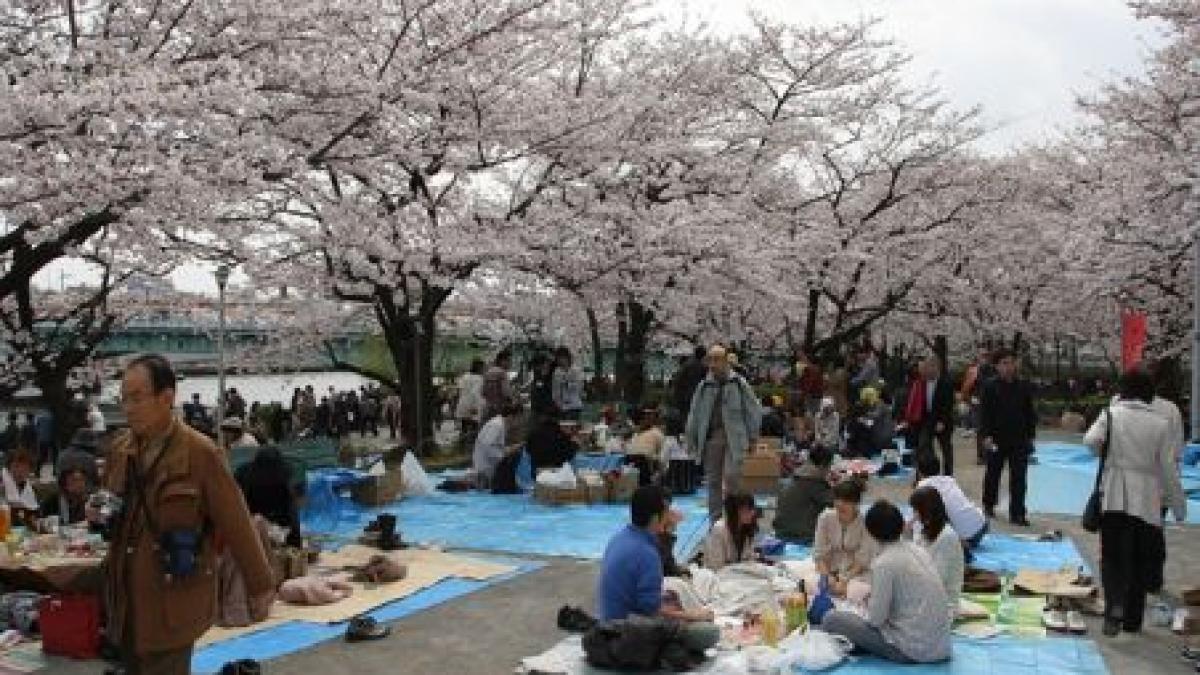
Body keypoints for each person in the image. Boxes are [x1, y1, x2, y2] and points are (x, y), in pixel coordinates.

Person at [95, 354, 272, 674]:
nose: (128, 407)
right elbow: (109, 505)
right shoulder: (121, 451)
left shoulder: (200, 453)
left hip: (172, 600)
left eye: (137, 398)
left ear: (167, 398)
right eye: (124, 398)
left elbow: (236, 521)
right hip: (126, 601)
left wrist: (260, 585)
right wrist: (97, 511)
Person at [1083, 367, 1186, 637]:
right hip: (1148, 498)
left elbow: (1090, 441)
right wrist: (1178, 506)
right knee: (1140, 559)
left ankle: (1114, 606)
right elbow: (1168, 469)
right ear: (1150, 394)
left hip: (1114, 492)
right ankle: (1132, 619)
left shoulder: (1111, 415)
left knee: (1113, 556)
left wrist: (1106, 454)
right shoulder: (1160, 424)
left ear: (1123, 391)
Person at [823, 500, 951, 664]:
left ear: (871, 532)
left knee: (831, 619)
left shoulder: (885, 563)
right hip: (941, 645)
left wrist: (867, 605)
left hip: (911, 650)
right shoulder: (917, 550)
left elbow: (876, 620)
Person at [596, 486, 720, 652]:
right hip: (627, 634)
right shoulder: (647, 553)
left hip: (609, 623)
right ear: (656, 517)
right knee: (709, 633)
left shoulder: (619, 539)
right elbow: (652, 614)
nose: (671, 515)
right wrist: (693, 616)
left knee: (676, 597)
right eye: (667, 511)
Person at [684, 345, 763, 520]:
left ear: (726, 361)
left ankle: (733, 519)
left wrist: (753, 438)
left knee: (732, 477)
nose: (713, 364)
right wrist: (691, 439)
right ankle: (715, 520)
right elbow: (694, 414)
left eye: (717, 359)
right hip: (711, 438)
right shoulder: (703, 387)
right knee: (712, 481)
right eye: (710, 359)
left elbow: (753, 411)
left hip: (735, 439)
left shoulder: (739, 384)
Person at [980, 348, 1037, 526]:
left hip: (1019, 438)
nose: (1009, 366)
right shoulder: (989, 386)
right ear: (997, 366)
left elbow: (1029, 412)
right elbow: (985, 413)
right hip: (996, 437)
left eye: (1012, 362)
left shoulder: (1023, 386)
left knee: (1019, 477)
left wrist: (1030, 435)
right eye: (1004, 363)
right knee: (993, 474)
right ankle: (989, 504)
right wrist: (986, 435)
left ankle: (1018, 512)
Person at [913, 456, 987, 560]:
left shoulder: (923, 487)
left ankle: (962, 545)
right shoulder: (949, 479)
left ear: (919, 471)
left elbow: (921, 520)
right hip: (981, 526)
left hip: (964, 537)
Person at [813, 479, 878, 596]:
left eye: (846, 501)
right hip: (828, 568)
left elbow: (862, 560)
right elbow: (819, 553)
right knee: (808, 583)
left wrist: (844, 580)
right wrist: (826, 576)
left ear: (856, 503)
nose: (840, 504)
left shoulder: (865, 523)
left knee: (859, 590)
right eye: (837, 499)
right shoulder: (825, 517)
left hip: (856, 573)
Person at [909, 487, 964, 617]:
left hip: (940, 602)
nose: (914, 515)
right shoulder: (925, 529)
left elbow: (937, 579)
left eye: (916, 510)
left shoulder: (947, 536)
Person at [235, 446, 303, 547]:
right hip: (252, 517)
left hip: (277, 517)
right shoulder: (244, 477)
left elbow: (290, 508)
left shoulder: (282, 480)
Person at [773, 445, 834, 544]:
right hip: (801, 536)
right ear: (823, 466)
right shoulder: (814, 481)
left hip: (780, 531)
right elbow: (835, 503)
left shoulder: (799, 474)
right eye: (830, 466)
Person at [916, 358, 956, 476]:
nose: (926, 370)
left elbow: (949, 404)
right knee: (924, 446)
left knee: (946, 449)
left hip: (942, 420)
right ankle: (927, 473)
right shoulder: (922, 383)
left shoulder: (946, 383)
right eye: (925, 368)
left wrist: (942, 421)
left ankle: (948, 475)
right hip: (927, 420)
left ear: (936, 368)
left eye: (929, 367)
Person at [703, 492, 759, 570]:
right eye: (748, 509)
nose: (752, 512)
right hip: (720, 577)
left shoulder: (747, 528)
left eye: (752, 508)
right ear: (735, 511)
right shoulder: (719, 530)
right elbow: (716, 566)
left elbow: (750, 559)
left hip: (740, 575)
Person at [472, 404, 522, 489]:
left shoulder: (499, 424)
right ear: (511, 416)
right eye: (518, 418)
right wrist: (504, 454)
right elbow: (487, 447)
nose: (518, 421)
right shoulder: (496, 425)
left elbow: (495, 446)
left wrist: (510, 449)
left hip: (489, 463)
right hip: (485, 467)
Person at [627, 408, 665, 486]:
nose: (647, 418)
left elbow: (662, 458)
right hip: (632, 472)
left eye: (649, 415)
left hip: (649, 472)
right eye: (644, 416)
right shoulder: (634, 435)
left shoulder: (657, 434)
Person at [971, 348, 997, 464]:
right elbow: (972, 386)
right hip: (979, 403)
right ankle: (981, 456)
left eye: (986, 356)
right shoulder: (975, 371)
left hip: (990, 403)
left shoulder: (992, 370)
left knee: (990, 429)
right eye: (982, 356)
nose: (984, 358)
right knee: (981, 430)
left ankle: (989, 454)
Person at [662, 415, 698, 495]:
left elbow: (663, 459)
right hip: (690, 482)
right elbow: (695, 456)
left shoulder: (669, 440)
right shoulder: (690, 439)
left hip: (674, 483)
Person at [670, 347, 708, 422]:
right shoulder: (700, 367)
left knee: (685, 418)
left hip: (683, 397)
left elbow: (678, 381)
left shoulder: (686, 365)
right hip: (692, 397)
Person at [455, 360, 484, 449]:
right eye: (482, 367)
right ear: (479, 367)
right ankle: (472, 448)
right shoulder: (479, 378)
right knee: (474, 428)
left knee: (464, 427)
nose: (483, 369)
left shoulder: (464, 376)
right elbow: (474, 393)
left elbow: (459, 391)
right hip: (473, 405)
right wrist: (474, 407)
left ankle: (461, 447)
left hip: (462, 404)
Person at [481, 351, 516, 422]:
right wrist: (512, 401)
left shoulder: (488, 372)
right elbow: (506, 392)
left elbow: (483, 391)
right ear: (502, 361)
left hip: (488, 406)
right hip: (499, 408)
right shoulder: (502, 373)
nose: (510, 363)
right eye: (509, 361)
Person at [2, 449, 40, 514]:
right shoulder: (2, 486)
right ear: (8, 468)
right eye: (16, 466)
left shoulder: (30, 490)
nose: (20, 471)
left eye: (25, 468)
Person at [552, 347, 585, 421]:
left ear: (567, 357)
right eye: (558, 359)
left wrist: (567, 383)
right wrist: (559, 404)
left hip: (575, 406)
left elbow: (580, 386)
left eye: (562, 358)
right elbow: (555, 390)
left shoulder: (576, 370)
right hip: (562, 407)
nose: (560, 361)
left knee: (574, 428)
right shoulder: (557, 372)